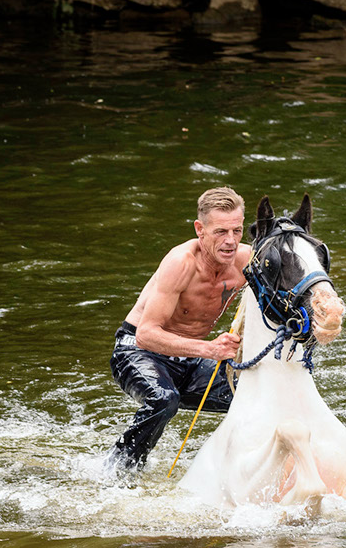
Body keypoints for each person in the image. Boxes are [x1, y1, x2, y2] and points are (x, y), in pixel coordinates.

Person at [106, 187, 253, 472]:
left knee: (254, 393)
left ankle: (240, 472)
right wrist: (210, 349)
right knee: (164, 399)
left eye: (237, 230)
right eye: (220, 232)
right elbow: (146, 334)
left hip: (188, 356)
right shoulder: (181, 263)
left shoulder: (247, 262)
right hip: (136, 350)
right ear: (200, 229)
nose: (231, 241)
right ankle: (117, 471)